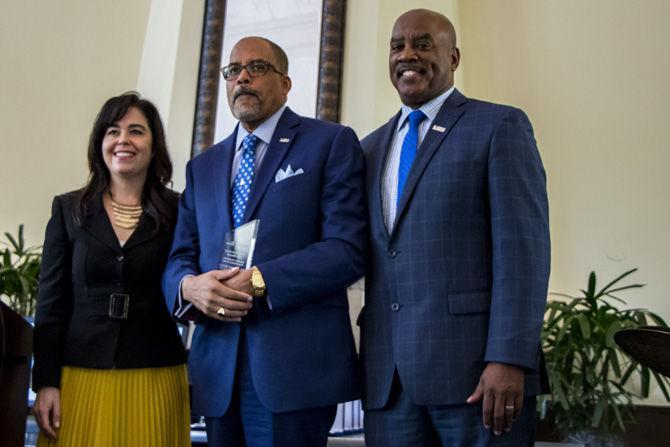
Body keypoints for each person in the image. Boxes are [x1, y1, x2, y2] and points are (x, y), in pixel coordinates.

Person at [358, 9, 551, 447]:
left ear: (453, 56)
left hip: (477, 379)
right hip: (388, 385)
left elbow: (524, 251)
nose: (408, 54)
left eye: (423, 43)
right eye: (397, 45)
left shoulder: (498, 125)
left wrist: (509, 357)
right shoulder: (368, 149)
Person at [162, 36, 366, 447]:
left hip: (294, 370)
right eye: (232, 71)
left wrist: (260, 281)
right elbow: (179, 256)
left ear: (286, 83)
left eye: (256, 67)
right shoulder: (203, 166)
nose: (242, 78)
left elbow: (348, 249)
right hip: (218, 368)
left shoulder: (328, 142)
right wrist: (189, 287)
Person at [32, 92, 190, 446]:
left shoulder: (180, 211)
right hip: (78, 375)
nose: (123, 140)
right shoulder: (68, 209)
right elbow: (51, 302)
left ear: (154, 144)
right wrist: (45, 382)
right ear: (100, 142)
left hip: (154, 372)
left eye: (136, 131)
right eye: (113, 131)